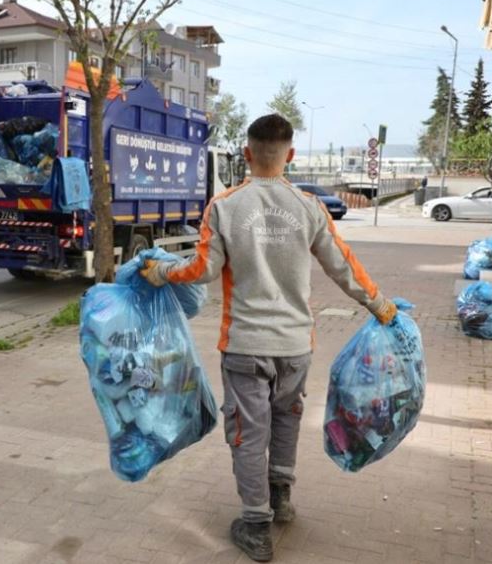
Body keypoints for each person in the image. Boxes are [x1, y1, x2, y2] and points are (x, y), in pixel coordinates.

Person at [140, 114, 397, 562]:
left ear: (246, 154)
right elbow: (343, 265)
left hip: (245, 345)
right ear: (290, 155)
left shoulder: (223, 206)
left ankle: (256, 525)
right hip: (295, 347)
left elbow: (202, 270)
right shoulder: (308, 206)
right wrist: (380, 305)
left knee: (247, 433)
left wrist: (161, 273)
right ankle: (280, 498)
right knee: (286, 422)